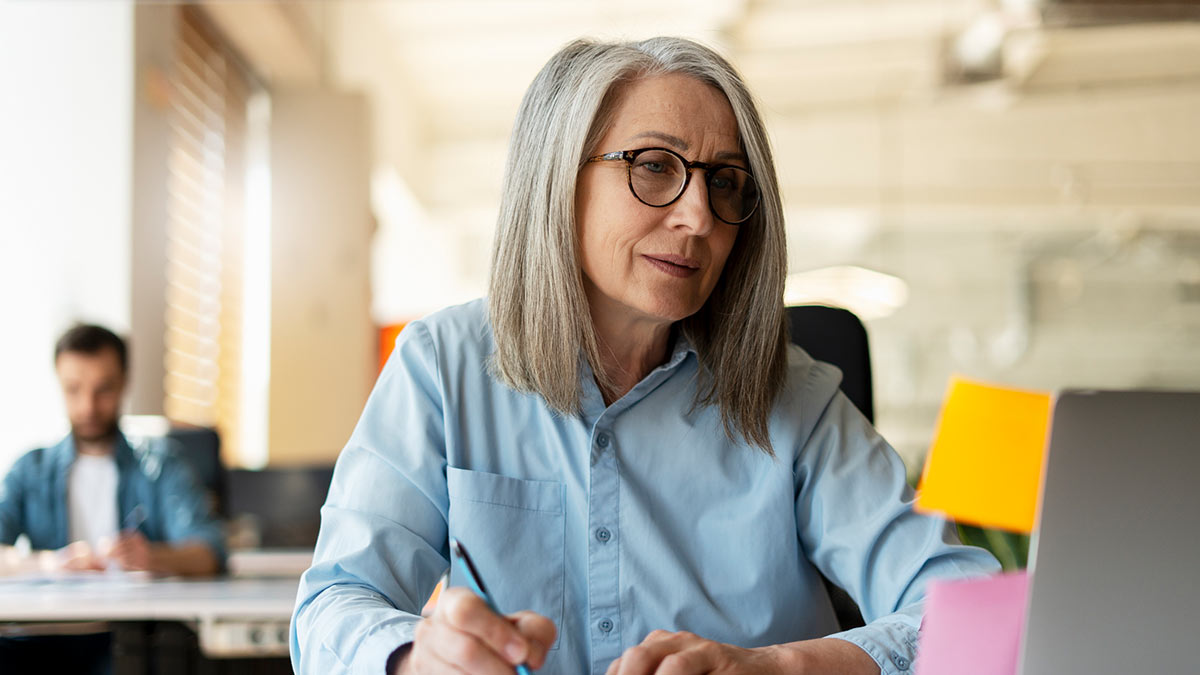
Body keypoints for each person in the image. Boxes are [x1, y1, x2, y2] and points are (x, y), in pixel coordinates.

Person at [292, 37, 999, 675]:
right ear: (557, 181)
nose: (698, 216)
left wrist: (779, 668)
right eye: (655, 166)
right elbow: (331, 608)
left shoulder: (796, 398)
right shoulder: (441, 367)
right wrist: (416, 659)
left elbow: (971, 610)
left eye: (723, 181)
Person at [0, 324, 225, 576]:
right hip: (53, 614)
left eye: (103, 389)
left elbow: (210, 553)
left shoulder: (160, 466)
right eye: (73, 389)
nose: (88, 407)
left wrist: (152, 557)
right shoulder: (29, 470)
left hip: (141, 615)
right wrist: (47, 564)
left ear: (124, 383)